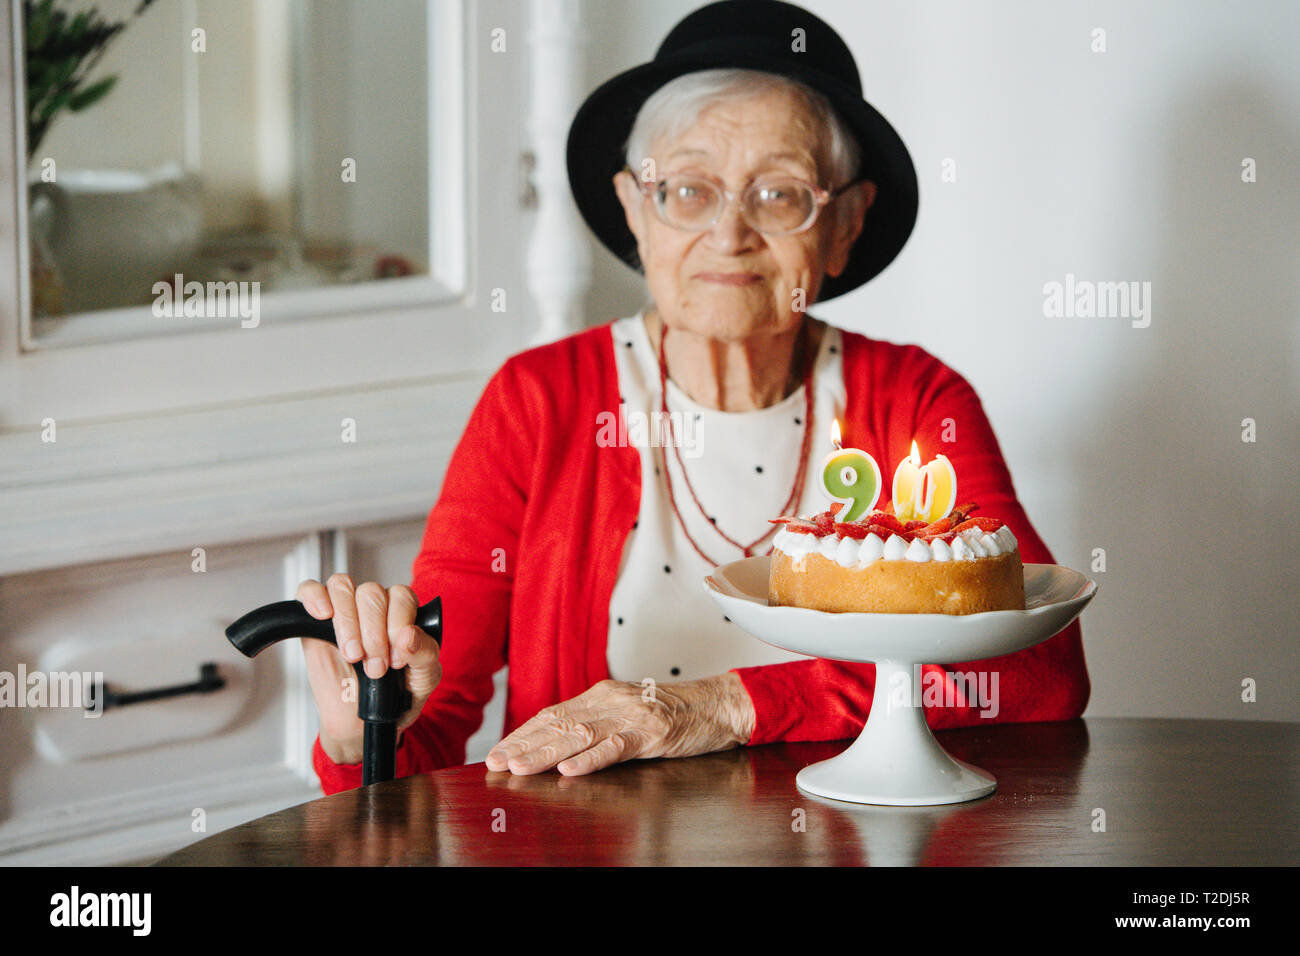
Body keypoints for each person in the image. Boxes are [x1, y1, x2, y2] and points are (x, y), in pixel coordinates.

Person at [297, 0, 1090, 794]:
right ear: (636, 211)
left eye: (780, 194)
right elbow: (426, 744)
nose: (730, 234)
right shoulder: (539, 402)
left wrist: (723, 705)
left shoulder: (917, 398)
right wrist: (361, 726)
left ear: (845, 222)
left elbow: (1036, 675)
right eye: (686, 190)